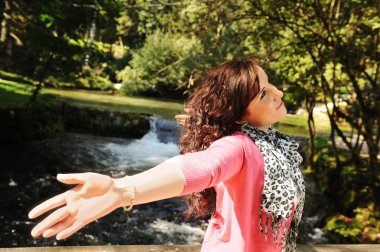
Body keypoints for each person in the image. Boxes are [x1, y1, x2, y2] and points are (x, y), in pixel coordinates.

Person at [28, 58, 305, 252]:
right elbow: (202, 167)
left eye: (270, 85)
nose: (278, 93)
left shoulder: (275, 144)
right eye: (263, 94)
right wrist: (122, 190)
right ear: (241, 116)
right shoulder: (239, 146)